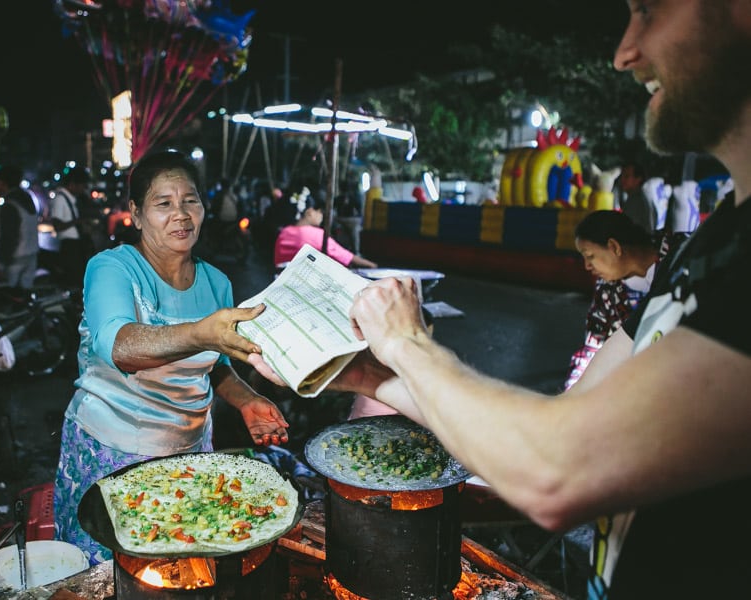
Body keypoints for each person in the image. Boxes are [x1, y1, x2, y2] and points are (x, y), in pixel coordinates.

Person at [250, 2, 751, 597]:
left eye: (647, 11)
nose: (624, 51)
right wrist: (369, 377)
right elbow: (552, 431)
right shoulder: (706, 250)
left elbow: (559, 470)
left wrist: (409, 343)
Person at [53, 150, 289, 565]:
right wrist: (200, 332)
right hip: (112, 450)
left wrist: (247, 400)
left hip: (190, 449)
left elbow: (217, 367)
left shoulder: (217, 282)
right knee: (112, 573)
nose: (180, 214)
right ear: (137, 214)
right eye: (163, 203)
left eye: (190, 201)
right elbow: (120, 346)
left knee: (182, 566)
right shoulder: (112, 268)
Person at [564, 210, 684, 390]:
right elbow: (593, 346)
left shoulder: (680, 255)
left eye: (590, 256)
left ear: (614, 247)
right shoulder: (607, 293)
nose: (587, 266)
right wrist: (572, 392)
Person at [273, 191, 377, 269]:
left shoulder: (284, 233)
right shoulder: (316, 235)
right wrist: (372, 265)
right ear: (309, 212)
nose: (321, 215)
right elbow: (347, 258)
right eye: (319, 211)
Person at [0, 164, 40, 289]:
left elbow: (8, 237)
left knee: (7, 298)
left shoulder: (9, 205)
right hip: (31, 256)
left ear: (2, 183)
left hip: (13, 260)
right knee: (25, 298)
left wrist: (0, 265)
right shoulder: (28, 198)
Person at [47, 166, 96, 288]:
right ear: (72, 184)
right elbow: (57, 225)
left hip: (75, 245)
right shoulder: (60, 199)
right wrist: (77, 222)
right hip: (69, 246)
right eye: (81, 186)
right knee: (73, 280)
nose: (82, 189)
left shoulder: (71, 199)